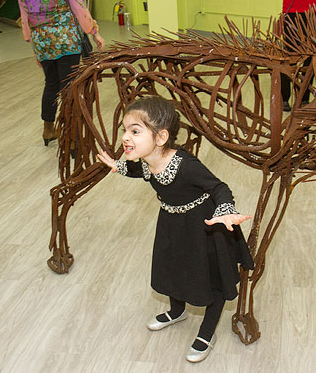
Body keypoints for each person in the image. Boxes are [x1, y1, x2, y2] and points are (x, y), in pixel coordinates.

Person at [97, 96, 254, 363]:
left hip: (205, 226)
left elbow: (218, 187)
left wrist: (226, 210)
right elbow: (141, 172)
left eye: (135, 131)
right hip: (172, 221)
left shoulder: (186, 165)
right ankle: (176, 310)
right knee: (172, 266)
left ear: (160, 138)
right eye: (125, 130)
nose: (125, 137)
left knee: (210, 277)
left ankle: (207, 331)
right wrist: (119, 166)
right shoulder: (149, 159)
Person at [17, 0, 105, 146]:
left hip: (41, 38)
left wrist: (31, 37)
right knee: (69, 86)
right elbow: (78, 6)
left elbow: (24, 11)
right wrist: (94, 31)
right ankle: (72, 136)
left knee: (51, 83)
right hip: (65, 36)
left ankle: (48, 129)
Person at [281, 0, 316, 112]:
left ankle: (304, 96)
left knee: (310, 56)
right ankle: (284, 97)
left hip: (313, 12)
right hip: (292, 10)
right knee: (289, 55)